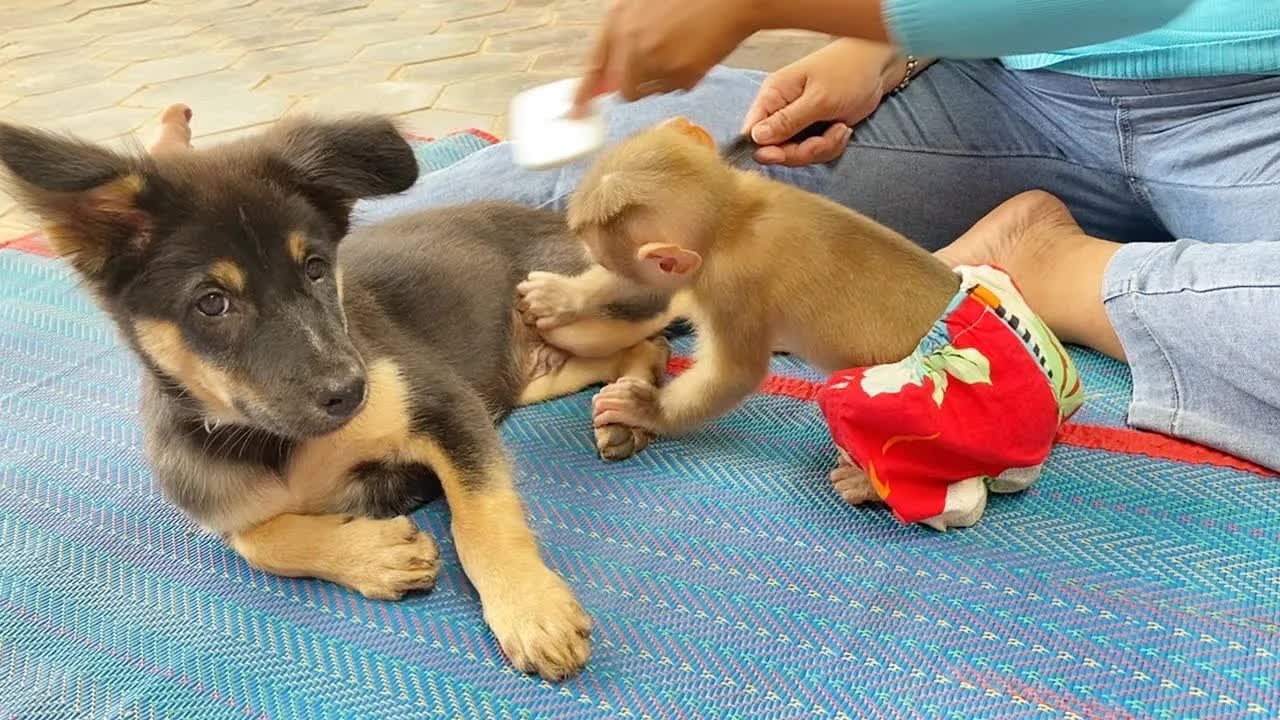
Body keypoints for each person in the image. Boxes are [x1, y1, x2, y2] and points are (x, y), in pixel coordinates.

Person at [355, 0, 1280, 470]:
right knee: (623, 173)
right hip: (1011, 91)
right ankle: (322, 281)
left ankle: (1052, 267)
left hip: (1252, 114)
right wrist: (883, 47)